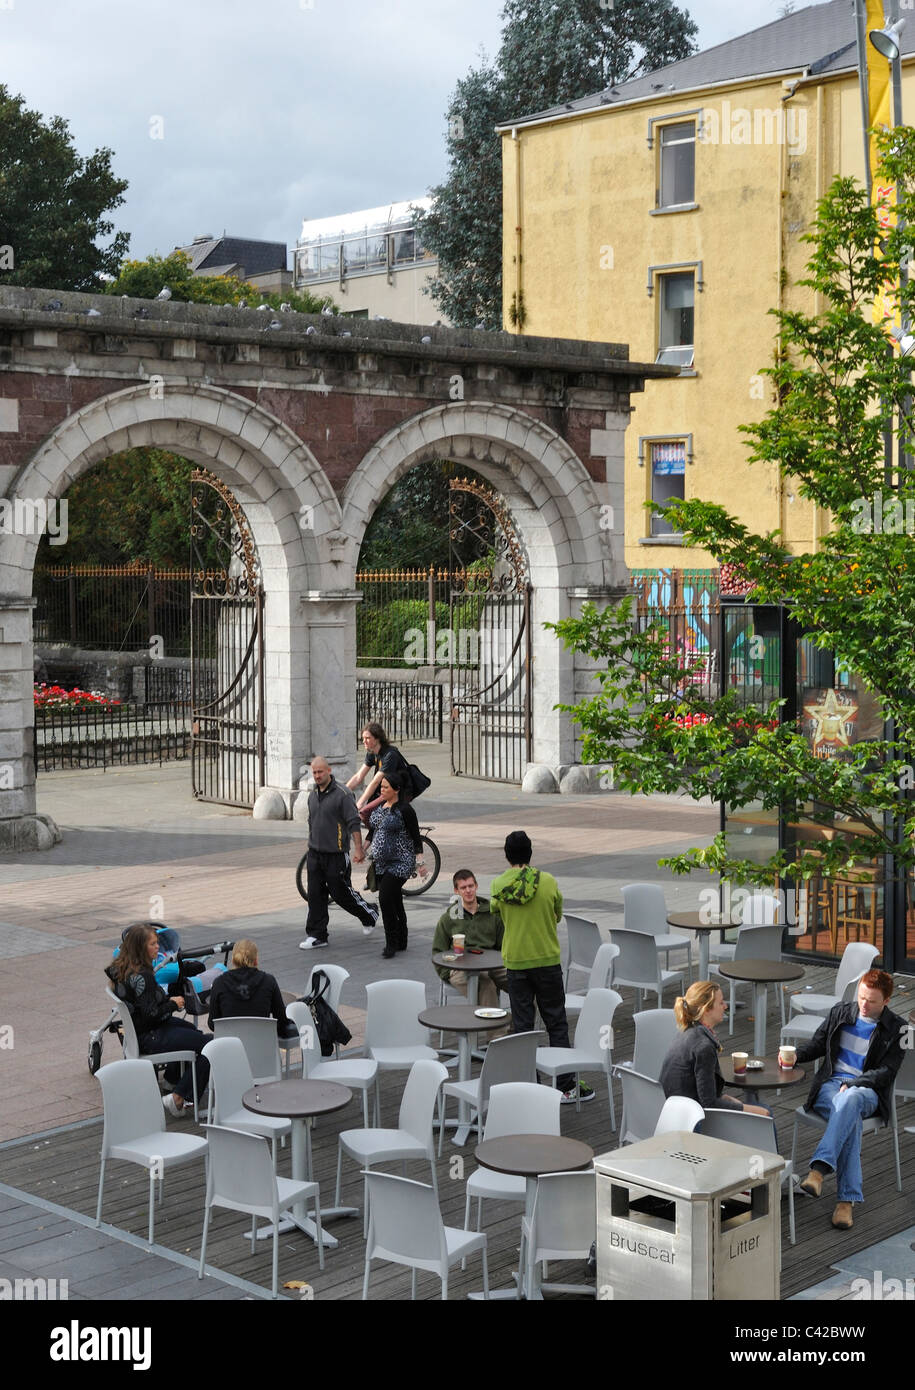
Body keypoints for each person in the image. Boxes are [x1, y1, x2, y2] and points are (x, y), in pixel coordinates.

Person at [795, 969, 907, 1230]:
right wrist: (794, 1056)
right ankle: (846, 1202)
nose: (864, 1005)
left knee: (852, 1099)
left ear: (887, 1001)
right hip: (831, 1086)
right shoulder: (840, 1012)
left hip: (866, 1089)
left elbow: (886, 1072)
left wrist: (855, 1083)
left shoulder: (898, 1028)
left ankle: (818, 1170)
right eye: (861, 998)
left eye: (872, 1001)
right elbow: (817, 1045)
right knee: (849, 1116)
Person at [489, 830, 585, 1103]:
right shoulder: (549, 881)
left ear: (507, 856)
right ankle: (566, 1086)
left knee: (523, 1026)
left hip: (516, 963)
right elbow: (556, 915)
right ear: (530, 853)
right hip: (547, 961)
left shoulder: (498, 885)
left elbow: (497, 911)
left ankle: (530, 1084)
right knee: (556, 1022)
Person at [105, 921, 210, 1119]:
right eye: (153, 944)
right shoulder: (143, 976)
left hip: (138, 1032)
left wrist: (166, 1001)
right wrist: (173, 1004)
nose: (158, 948)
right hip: (150, 1034)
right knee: (209, 1046)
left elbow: (144, 1005)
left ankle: (172, 1079)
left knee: (193, 1033)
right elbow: (152, 1015)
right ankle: (178, 1097)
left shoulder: (122, 969)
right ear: (140, 948)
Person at [299, 755, 379, 950]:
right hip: (315, 854)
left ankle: (369, 913)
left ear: (329, 771)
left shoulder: (343, 794)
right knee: (315, 895)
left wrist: (358, 849)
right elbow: (313, 823)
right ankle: (317, 935)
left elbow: (353, 823)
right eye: (314, 772)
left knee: (340, 892)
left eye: (320, 772)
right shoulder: (312, 795)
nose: (317, 775)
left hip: (336, 854)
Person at [660, 980, 771, 1117]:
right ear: (706, 1009)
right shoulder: (704, 1046)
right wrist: (751, 1110)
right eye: (721, 1002)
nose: (725, 1006)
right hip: (689, 1121)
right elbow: (709, 1103)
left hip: (671, 1112)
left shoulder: (686, 1031)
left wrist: (730, 1101)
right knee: (765, 1111)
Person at [432, 869, 508, 1009]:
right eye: (463, 887)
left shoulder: (493, 914)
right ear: (456, 891)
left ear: (476, 886)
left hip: (491, 965)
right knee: (487, 986)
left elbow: (503, 946)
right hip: (462, 969)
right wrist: (447, 973)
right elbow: (437, 952)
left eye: (471, 886)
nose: (468, 890)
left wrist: (499, 963)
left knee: (523, 981)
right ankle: (497, 1031)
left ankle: (523, 1028)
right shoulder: (448, 919)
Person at [368, 770, 424, 958]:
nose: (381, 790)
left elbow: (416, 837)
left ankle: (391, 943)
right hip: (382, 864)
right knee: (395, 899)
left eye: (385, 787)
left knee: (385, 898)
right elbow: (373, 830)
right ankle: (402, 939)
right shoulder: (381, 807)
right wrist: (362, 849)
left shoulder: (405, 810)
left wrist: (420, 862)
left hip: (401, 862)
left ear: (396, 789)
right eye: (381, 787)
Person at [207, 938, 297, 1037]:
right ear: (256, 960)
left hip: (230, 1048)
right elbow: (281, 1020)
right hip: (262, 1048)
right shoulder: (268, 981)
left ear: (233, 959)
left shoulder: (219, 983)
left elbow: (212, 1024)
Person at [346, 722, 409, 828]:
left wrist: (360, 803)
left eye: (368, 738)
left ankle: (380, 838)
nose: (364, 741)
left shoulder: (390, 755)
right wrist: (342, 792)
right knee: (373, 817)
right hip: (384, 790)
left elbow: (376, 781)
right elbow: (358, 777)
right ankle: (370, 841)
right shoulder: (372, 753)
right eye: (363, 738)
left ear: (377, 739)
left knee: (365, 812)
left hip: (398, 792)